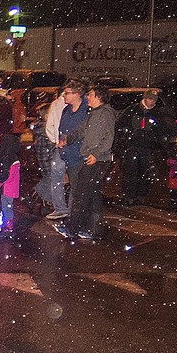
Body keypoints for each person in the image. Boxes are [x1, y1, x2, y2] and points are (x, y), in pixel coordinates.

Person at [54, 84, 116, 241]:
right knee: (92, 195)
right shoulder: (93, 114)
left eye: (91, 95)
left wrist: (96, 154)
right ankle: (94, 230)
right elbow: (81, 131)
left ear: (99, 98)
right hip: (91, 158)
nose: (88, 97)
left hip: (96, 160)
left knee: (81, 194)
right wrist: (66, 140)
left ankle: (72, 229)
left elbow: (108, 137)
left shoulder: (105, 114)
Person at [115, 90, 175, 206]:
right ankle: (128, 196)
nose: (152, 102)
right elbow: (120, 126)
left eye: (154, 100)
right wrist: (121, 142)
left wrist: (167, 148)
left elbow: (162, 132)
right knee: (129, 172)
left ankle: (140, 196)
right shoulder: (132, 110)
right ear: (145, 98)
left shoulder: (157, 114)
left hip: (147, 148)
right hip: (131, 147)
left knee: (144, 173)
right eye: (150, 99)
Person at [53, 79, 89, 219]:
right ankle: (68, 213)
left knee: (77, 187)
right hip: (66, 153)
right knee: (60, 178)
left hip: (79, 154)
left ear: (76, 94)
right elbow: (62, 129)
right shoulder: (66, 110)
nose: (63, 95)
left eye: (67, 93)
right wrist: (62, 141)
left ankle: (75, 217)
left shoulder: (86, 110)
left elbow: (85, 132)